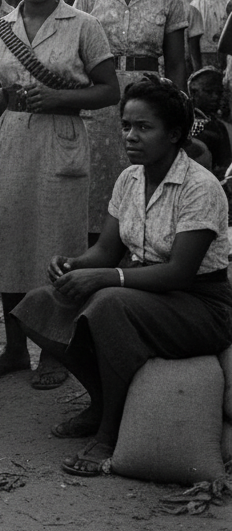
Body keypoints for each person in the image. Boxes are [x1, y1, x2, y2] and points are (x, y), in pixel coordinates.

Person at [13, 75, 232, 476]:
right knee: (41, 303)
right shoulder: (129, 178)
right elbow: (106, 251)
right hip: (140, 289)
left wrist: (104, 278)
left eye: (144, 127)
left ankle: (109, 435)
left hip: (200, 305)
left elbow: (180, 273)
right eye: (126, 125)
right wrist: (73, 264)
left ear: (175, 135)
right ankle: (101, 402)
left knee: (107, 304)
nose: (131, 136)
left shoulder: (201, 187)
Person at [0, 0, 119, 388]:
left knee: (57, 248)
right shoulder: (1, 29)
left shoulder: (83, 25)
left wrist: (55, 97)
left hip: (62, 137)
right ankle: (14, 349)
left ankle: (55, 352)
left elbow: (109, 89)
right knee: (8, 245)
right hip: (9, 140)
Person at [73, 0, 188, 239]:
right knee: (94, 175)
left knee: (139, 168)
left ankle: (137, 244)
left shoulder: (169, 1)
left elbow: (177, 62)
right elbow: (75, 54)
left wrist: (176, 107)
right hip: (98, 96)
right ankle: (91, 247)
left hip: (148, 99)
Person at [187, 67, 232, 177]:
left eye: (219, 93)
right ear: (193, 92)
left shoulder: (220, 125)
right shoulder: (184, 121)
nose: (215, 97)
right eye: (209, 92)